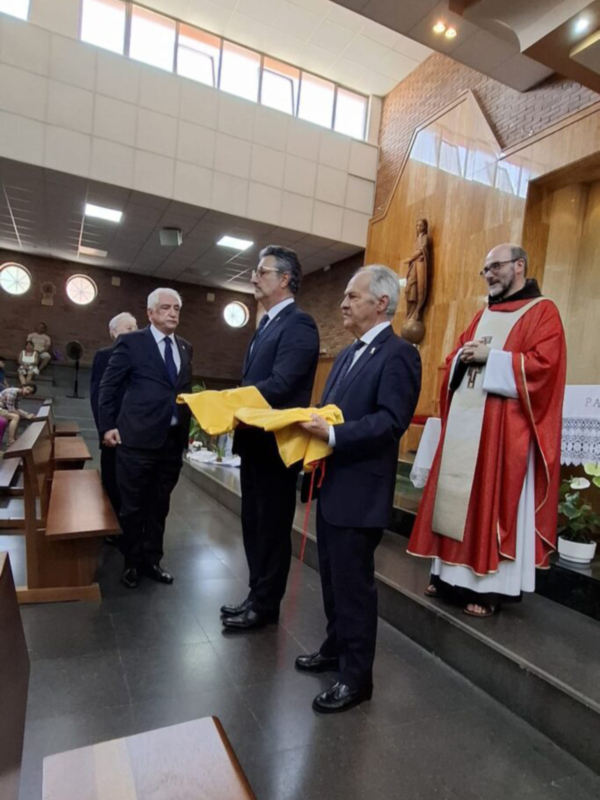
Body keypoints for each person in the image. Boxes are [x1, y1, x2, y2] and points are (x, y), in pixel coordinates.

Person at [408, 244, 566, 617]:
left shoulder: (543, 312)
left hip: (503, 434)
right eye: (485, 270)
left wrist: (491, 359)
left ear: (519, 266)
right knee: (455, 498)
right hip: (467, 423)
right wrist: (460, 360)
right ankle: (448, 578)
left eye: (495, 267)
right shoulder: (484, 314)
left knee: (491, 502)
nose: (489, 274)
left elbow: (545, 368)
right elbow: (455, 356)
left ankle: (490, 590)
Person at [296, 265, 421, 713]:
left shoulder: (399, 354)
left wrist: (331, 435)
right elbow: (332, 410)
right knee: (331, 581)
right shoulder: (348, 354)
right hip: (332, 487)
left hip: (360, 492)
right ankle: (334, 648)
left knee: (353, 589)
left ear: (381, 303)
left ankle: (356, 678)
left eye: (352, 296)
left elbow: (392, 421)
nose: (343, 303)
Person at [221, 245, 320, 632]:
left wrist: (230, 403)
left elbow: (281, 385)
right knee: (253, 524)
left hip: (277, 445)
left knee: (272, 528)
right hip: (255, 441)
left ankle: (266, 605)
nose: (253, 277)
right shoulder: (265, 324)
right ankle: (254, 593)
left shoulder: (299, 323)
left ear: (284, 279)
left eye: (261, 271)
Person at [98, 289, 192, 589]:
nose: (173, 313)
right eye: (165, 308)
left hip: (171, 441)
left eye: (176, 308)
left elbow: (183, 393)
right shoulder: (131, 342)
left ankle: (152, 559)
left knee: (159, 505)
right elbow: (108, 388)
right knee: (133, 506)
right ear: (150, 313)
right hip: (136, 439)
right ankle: (131, 562)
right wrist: (107, 426)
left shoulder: (186, 348)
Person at [90, 312, 138, 517]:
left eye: (136, 327)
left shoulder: (142, 357)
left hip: (137, 429)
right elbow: (97, 395)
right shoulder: (105, 355)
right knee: (112, 479)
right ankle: (110, 522)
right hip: (114, 429)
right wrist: (105, 427)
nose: (134, 331)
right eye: (128, 327)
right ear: (113, 332)